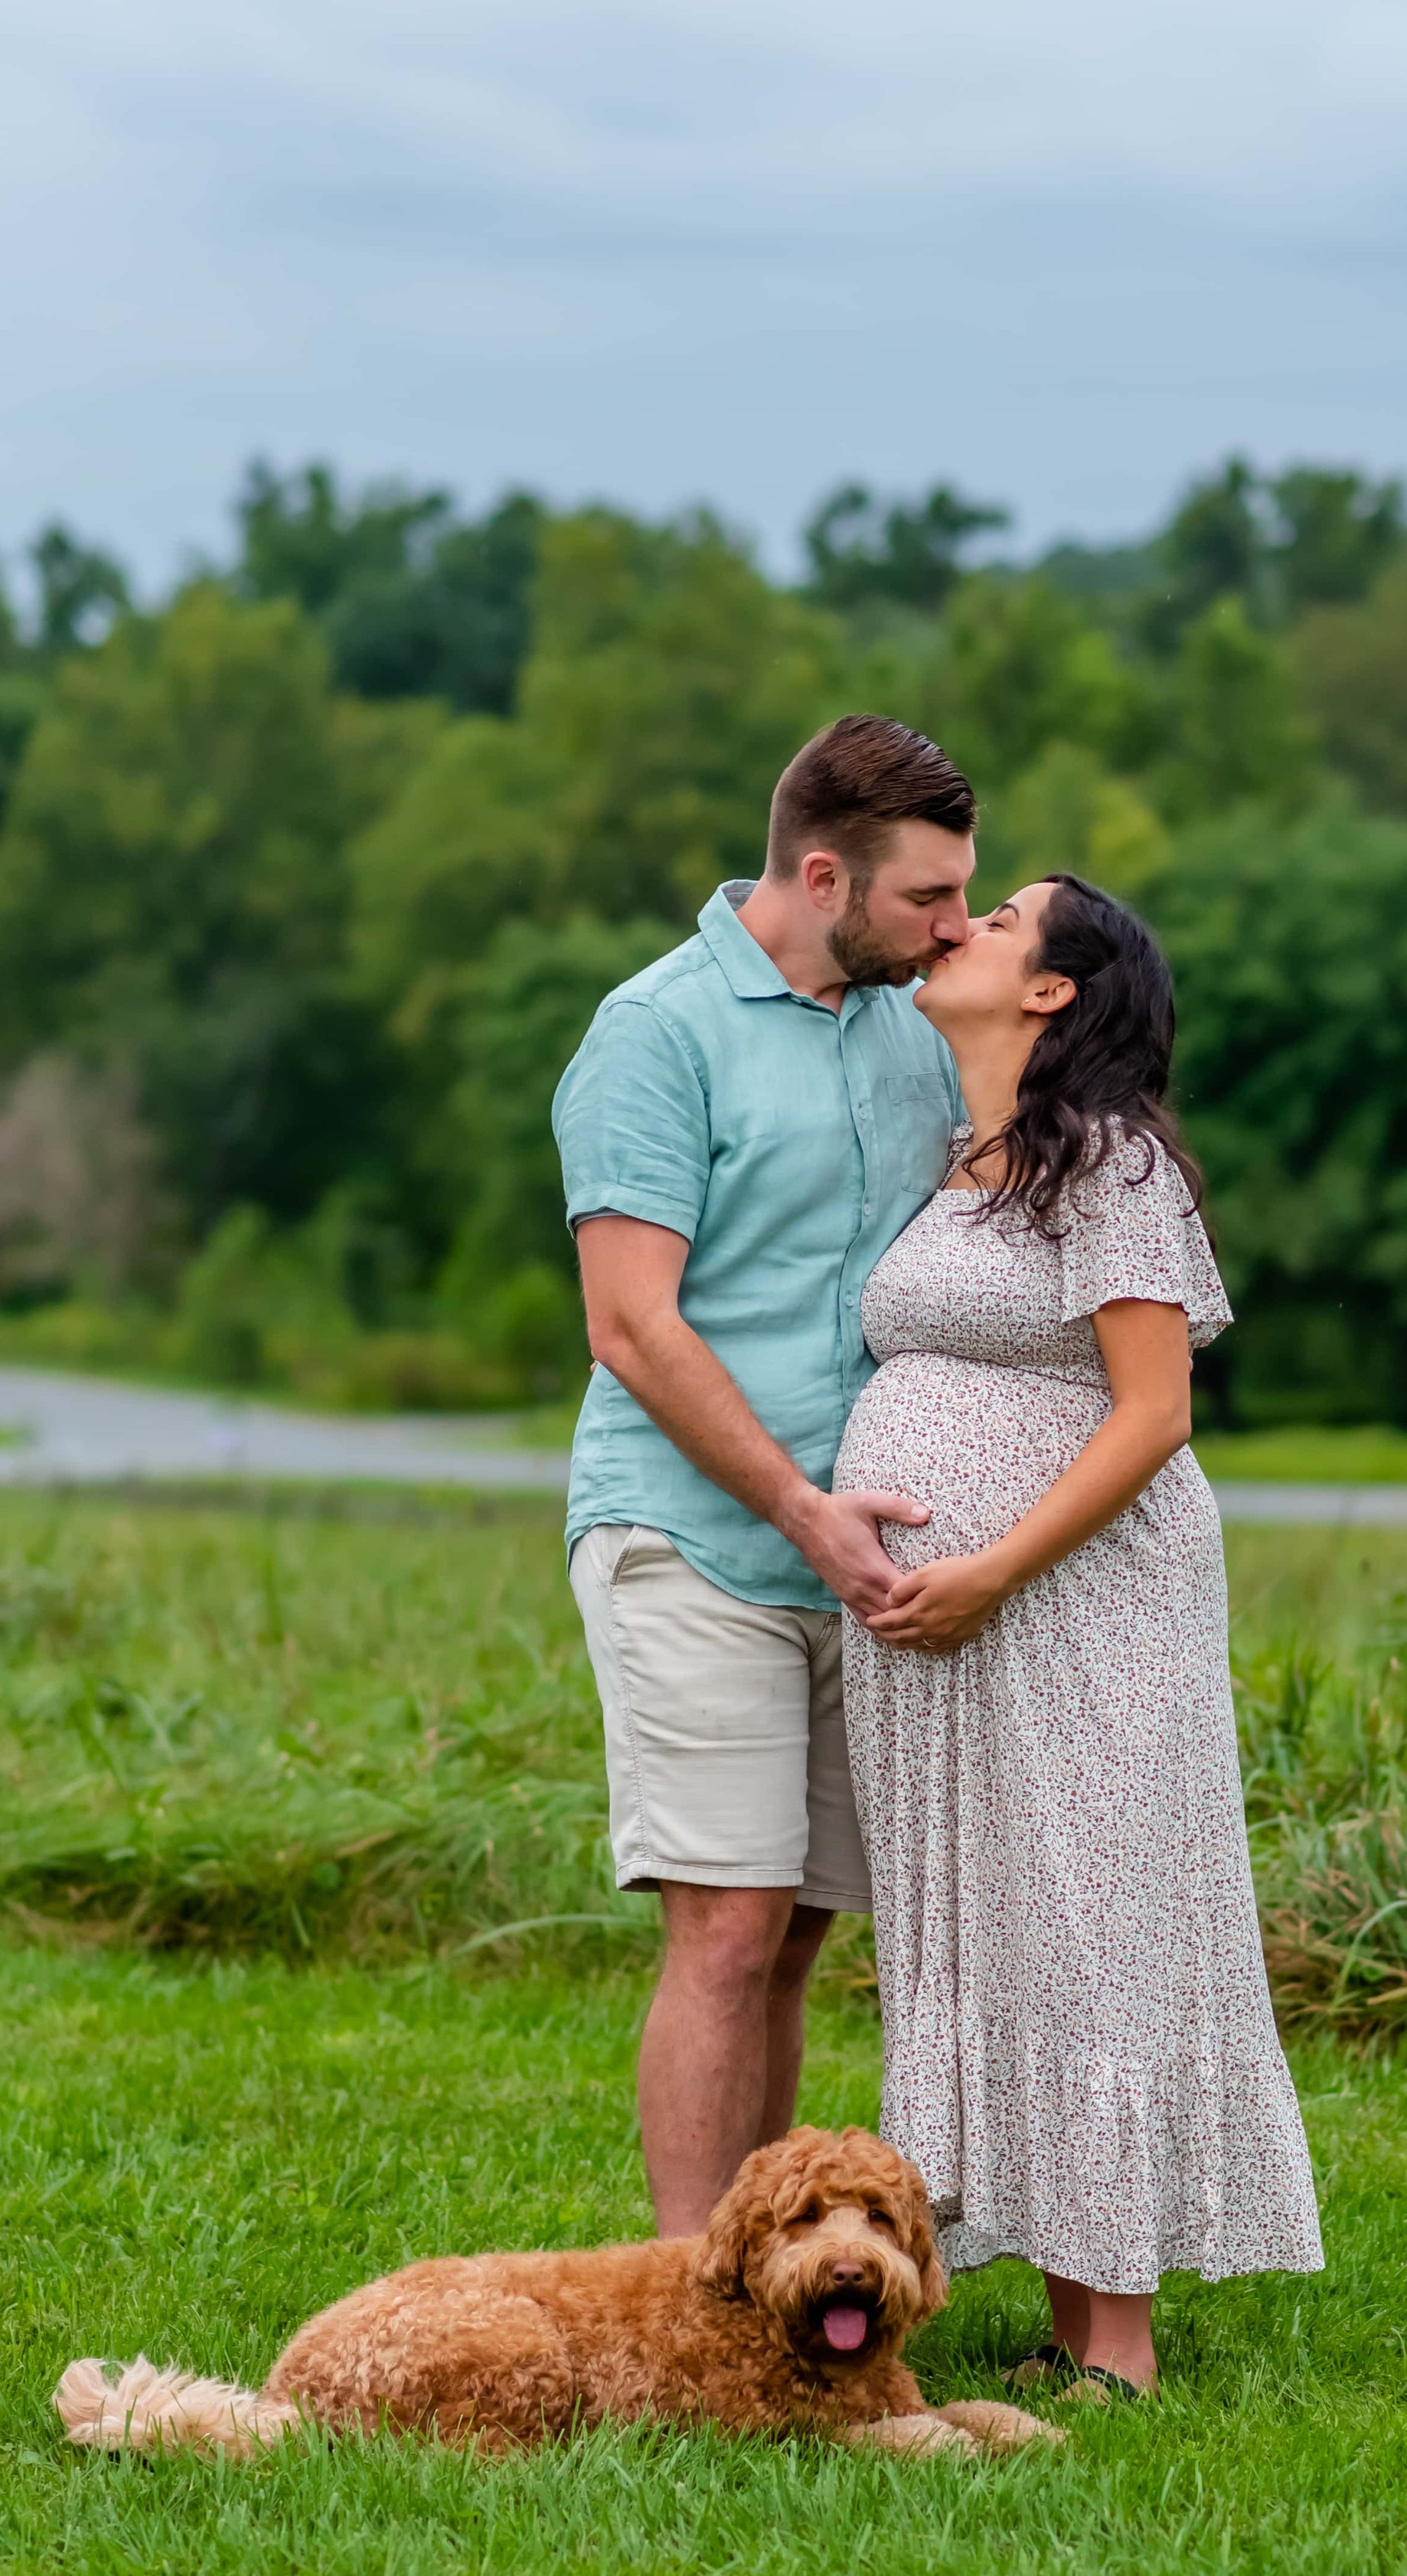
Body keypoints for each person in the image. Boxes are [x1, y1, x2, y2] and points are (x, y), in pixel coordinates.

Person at [835, 875, 1323, 2399]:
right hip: (947, 1630)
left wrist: (988, 1567)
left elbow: (1152, 1415)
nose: (961, 923)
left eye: (1003, 919)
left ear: (1052, 991)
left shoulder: (1106, 1161)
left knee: (1083, 1918)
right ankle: (1061, 2312)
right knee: (996, 1926)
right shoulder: (958, 1156)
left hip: (1080, 1600)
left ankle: (1116, 2347)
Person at [553, 715, 975, 2235]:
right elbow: (627, 1322)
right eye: (927, 900)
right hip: (692, 1540)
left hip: (860, 1561)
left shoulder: (916, 1025)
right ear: (820, 875)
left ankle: (771, 2281)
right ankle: (683, 2299)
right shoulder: (653, 1034)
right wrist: (796, 1506)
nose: (953, 930)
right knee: (724, 1929)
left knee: (795, 1934)